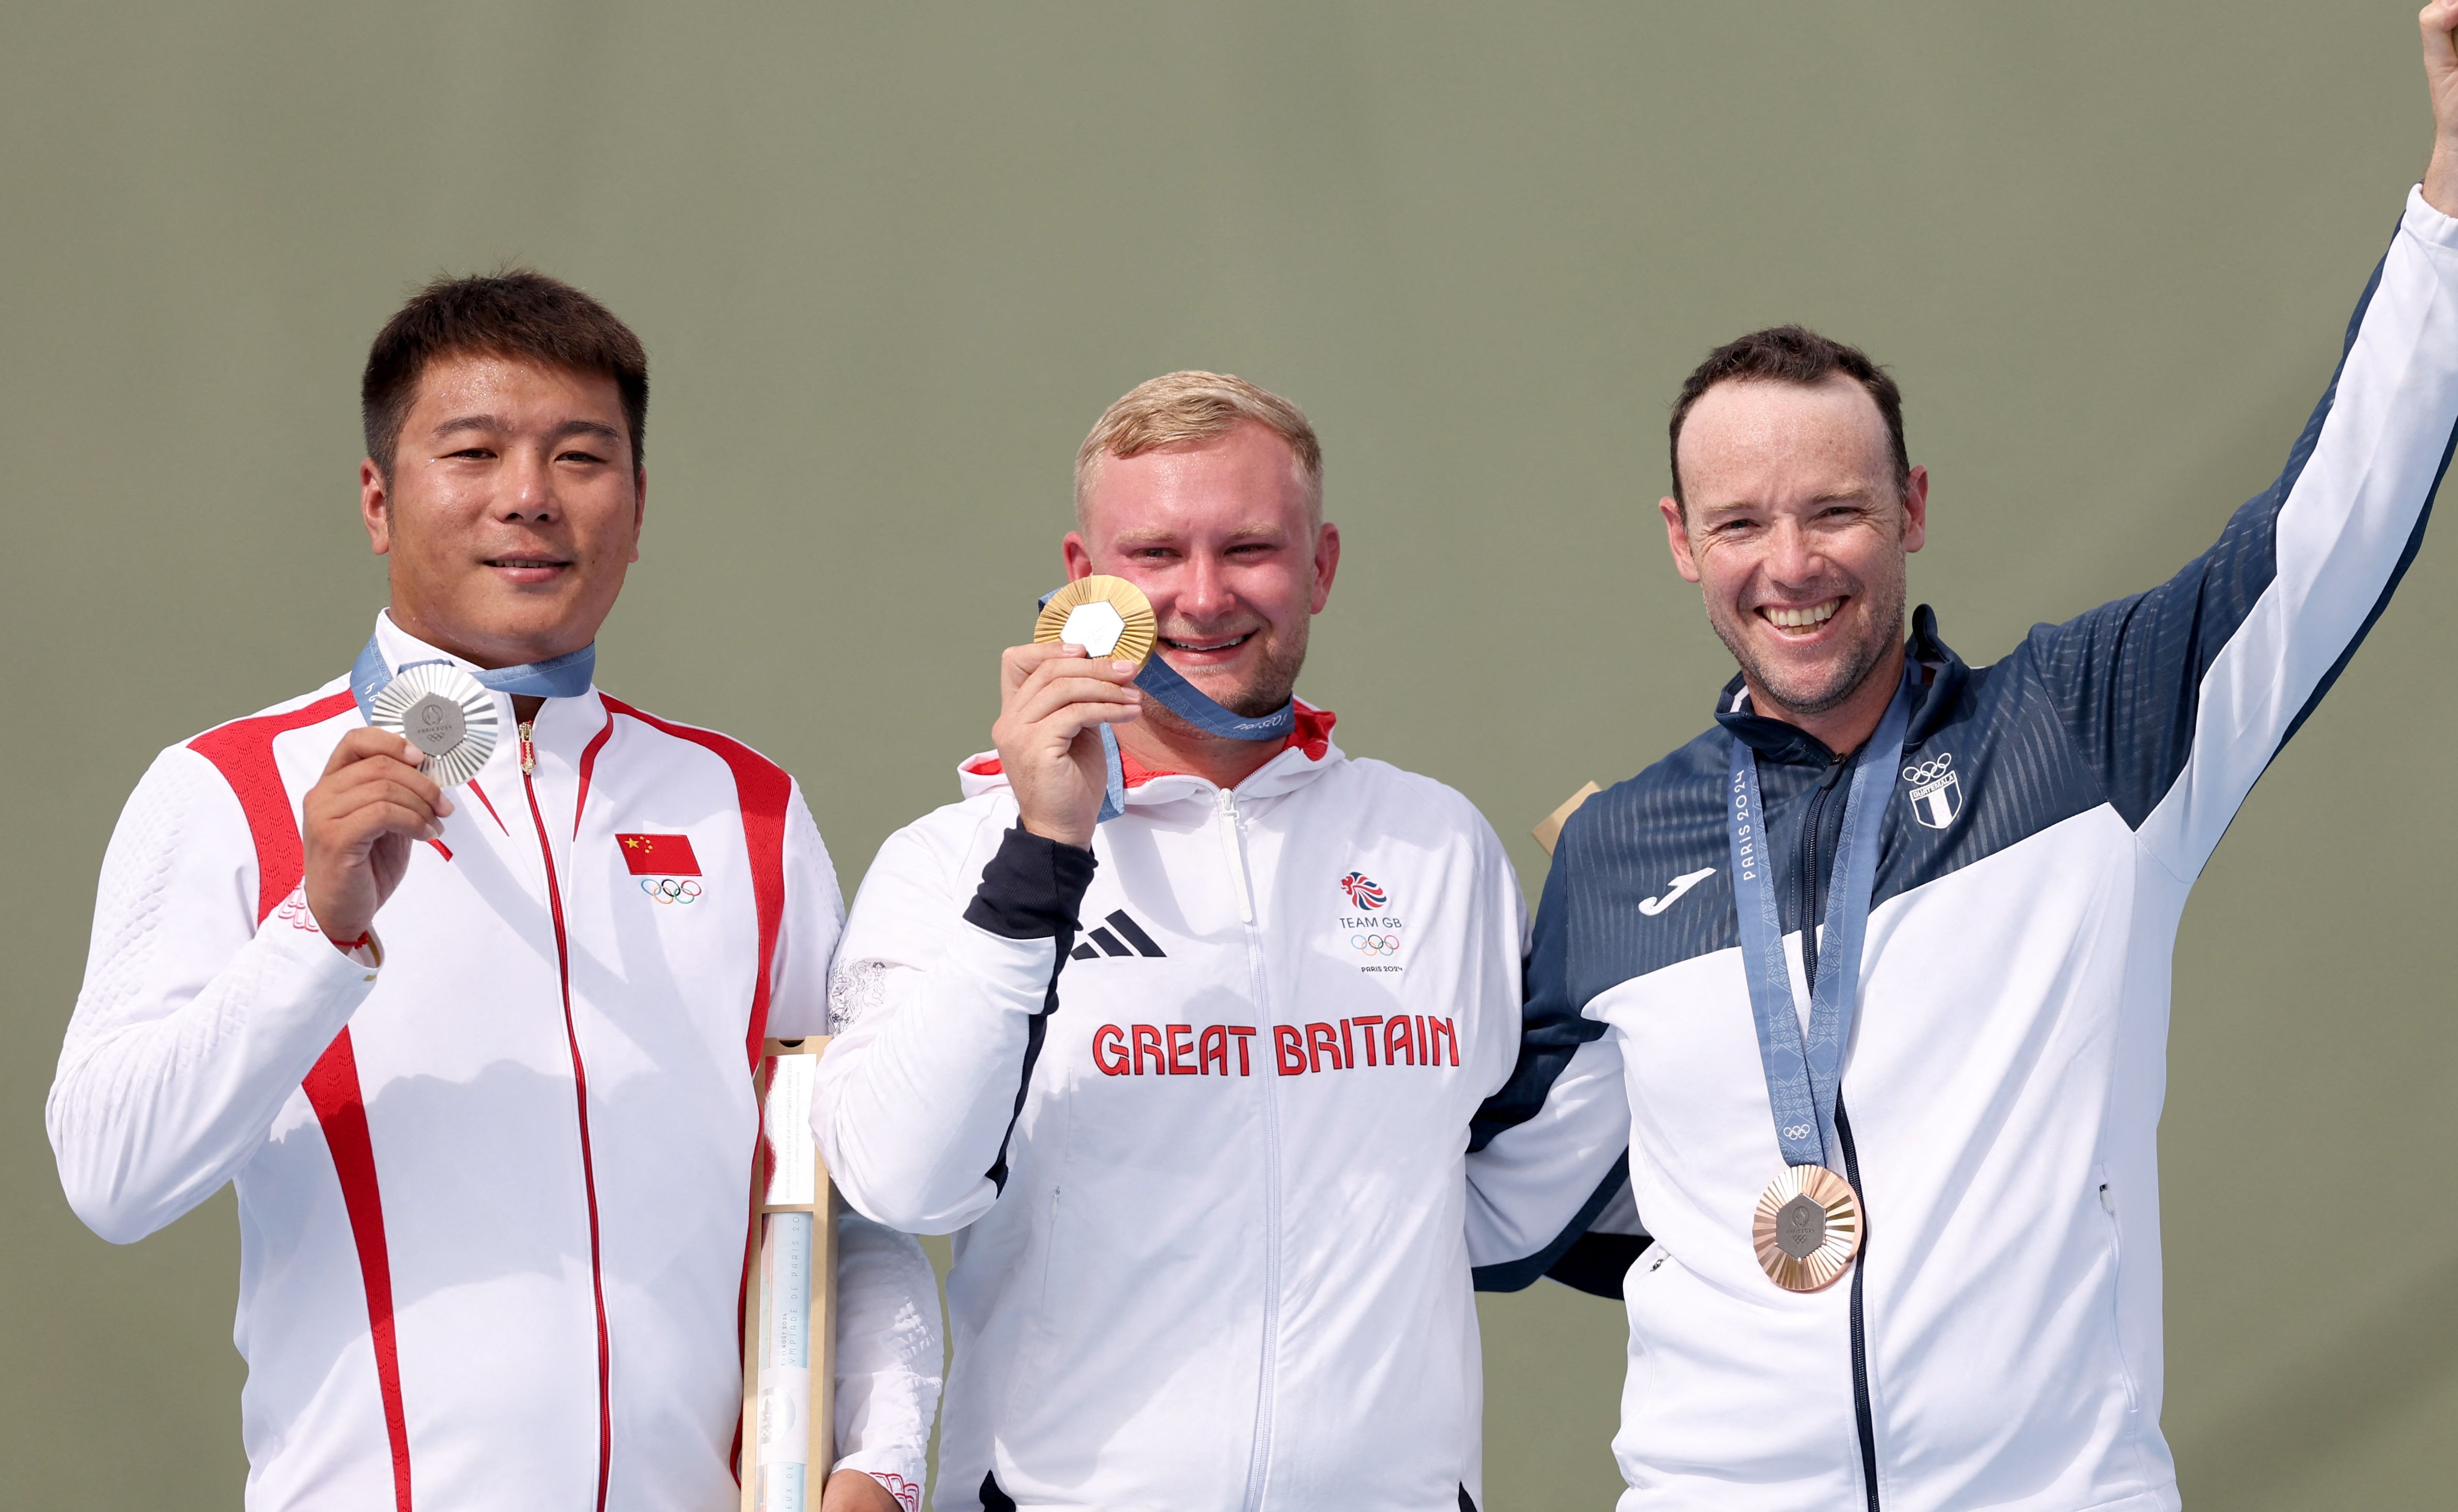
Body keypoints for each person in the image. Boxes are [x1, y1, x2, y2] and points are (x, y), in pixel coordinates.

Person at [1471, 12, 2458, 1509]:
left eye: (1836, 511)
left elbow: (2330, 523)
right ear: (1682, 543)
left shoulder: (2082, 733)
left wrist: (2448, 204)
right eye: (1739, 524)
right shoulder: (1622, 853)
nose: (1791, 565)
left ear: (1911, 506)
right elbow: (1491, 1207)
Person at [47, 272, 941, 1512]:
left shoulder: (747, 810)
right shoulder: (230, 788)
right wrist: (320, 930)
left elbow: (846, 1201)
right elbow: (110, 1175)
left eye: (583, 456)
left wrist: (882, 1463)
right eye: (472, 451)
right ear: (377, 498)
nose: (529, 496)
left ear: (638, 504)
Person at [811, 373, 1560, 1511]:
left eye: (1249, 548)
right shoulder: (951, 861)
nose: (1203, 598)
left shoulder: (1436, 845)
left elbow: (1497, 1188)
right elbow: (907, 1184)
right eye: (1155, 555)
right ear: (1082, 580)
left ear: (1321, 567)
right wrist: (1043, 850)